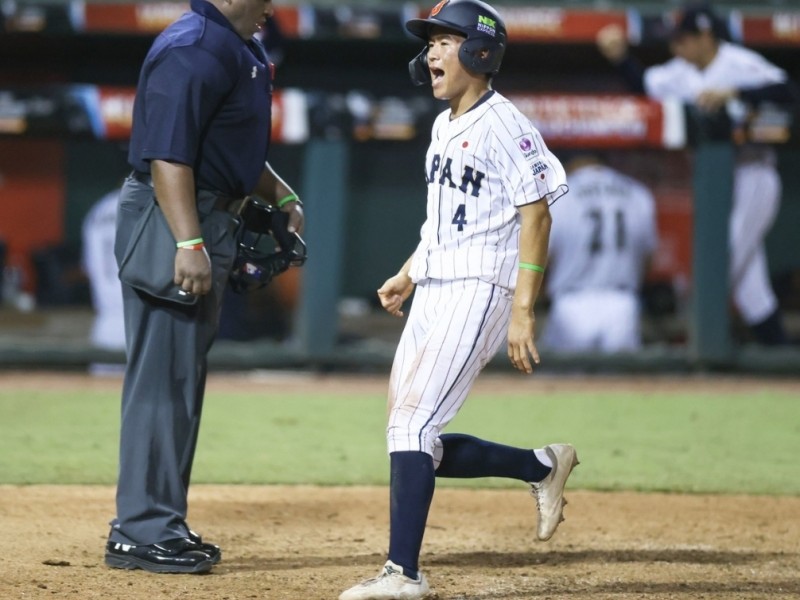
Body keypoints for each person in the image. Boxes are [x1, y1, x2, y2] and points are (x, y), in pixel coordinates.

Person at [339, 2, 576, 599]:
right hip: (438, 283)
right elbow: (442, 221)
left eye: (445, 41)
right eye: (431, 43)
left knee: (414, 425)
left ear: (480, 52)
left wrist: (523, 310)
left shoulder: (505, 124)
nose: (432, 54)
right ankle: (541, 466)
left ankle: (404, 575)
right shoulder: (445, 124)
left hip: (480, 288)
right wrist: (408, 272)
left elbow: (538, 216)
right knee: (412, 434)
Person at [105, 0, 303, 575]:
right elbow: (169, 154)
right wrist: (188, 243)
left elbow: (233, 148)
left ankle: (158, 519)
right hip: (173, 218)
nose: (272, 7)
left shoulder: (239, 47)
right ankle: (140, 529)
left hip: (204, 215)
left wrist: (281, 193)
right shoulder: (192, 47)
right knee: (162, 382)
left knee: (181, 381)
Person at [596, 2, 797, 345]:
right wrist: (619, 58)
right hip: (715, 182)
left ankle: (694, 345)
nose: (677, 47)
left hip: (753, 174)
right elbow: (644, 83)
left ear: (705, 35)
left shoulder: (737, 62)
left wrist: (736, 91)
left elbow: (786, 91)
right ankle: (780, 352)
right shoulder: (679, 71)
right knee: (751, 290)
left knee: (722, 261)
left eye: (684, 39)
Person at [540, 154, 658, 353]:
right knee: (620, 383)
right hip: (623, 305)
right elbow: (648, 260)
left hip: (571, 305)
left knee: (562, 381)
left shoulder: (558, 194)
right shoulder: (637, 192)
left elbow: (541, 259)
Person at [82, 187, 126, 374]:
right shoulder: (147, 204)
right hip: (139, 322)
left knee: (101, 394)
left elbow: (88, 266)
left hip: (104, 324)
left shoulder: (99, 209)